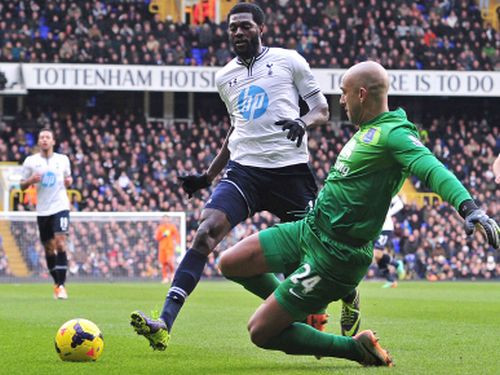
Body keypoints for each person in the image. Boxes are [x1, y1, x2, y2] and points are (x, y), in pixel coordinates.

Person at [215, 61, 499, 366]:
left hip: (336, 256)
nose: (340, 100)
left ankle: (355, 349)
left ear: (361, 94)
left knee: (259, 331)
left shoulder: (394, 135)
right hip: (308, 231)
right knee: (230, 263)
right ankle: (306, 310)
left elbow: (431, 168)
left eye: (343, 92)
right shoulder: (368, 130)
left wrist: (469, 208)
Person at [130, 2, 364, 351]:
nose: (238, 32)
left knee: (319, 253)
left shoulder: (289, 61)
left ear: (261, 29)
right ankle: (165, 321)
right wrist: (209, 176)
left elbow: (322, 110)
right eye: (232, 28)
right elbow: (235, 129)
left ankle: (349, 296)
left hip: (289, 172)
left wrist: (303, 121)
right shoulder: (225, 77)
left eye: (244, 26)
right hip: (245, 172)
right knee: (205, 234)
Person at [20, 128, 72, 299]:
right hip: (43, 210)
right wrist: (30, 181)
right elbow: (21, 185)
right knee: (49, 249)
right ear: (38, 141)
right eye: (41, 137)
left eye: (47, 137)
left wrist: (69, 182)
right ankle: (57, 284)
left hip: (60, 206)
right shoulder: (31, 161)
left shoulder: (63, 160)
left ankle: (62, 285)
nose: (44, 140)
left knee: (60, 242)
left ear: (53, 141)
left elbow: (68, 180)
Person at [373, 195, 406, 288]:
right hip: (373, 227)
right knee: (377, 256)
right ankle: (390, 280)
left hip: (385, 227)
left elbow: (400, 204)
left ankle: (397, 264)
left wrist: (388, 213)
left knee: (377, 253)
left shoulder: (386, 189)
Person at [155, 216, 180, 284]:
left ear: (169, 220)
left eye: (167, 220)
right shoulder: (160, 228)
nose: (166, 221)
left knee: (169, 261)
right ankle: (165, 278)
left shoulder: (172, 227)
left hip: (169, 247)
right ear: (162, 220)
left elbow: (177, 235)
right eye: (164, 220)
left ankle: (172, 274)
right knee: (163, 263)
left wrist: (177, 243)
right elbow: (157, 238)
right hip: (162, 248)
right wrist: (163, 235)